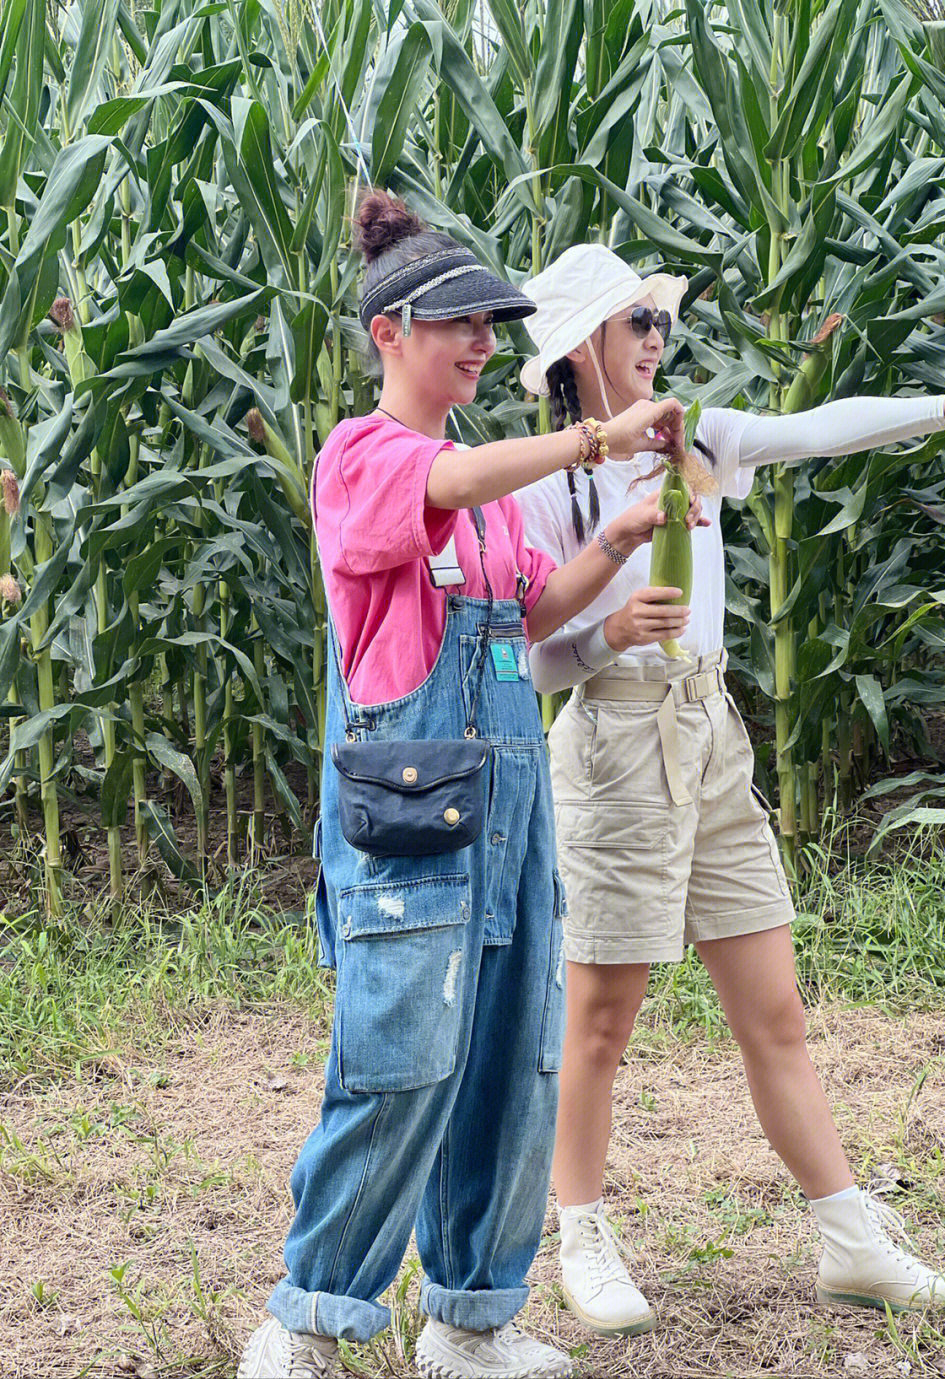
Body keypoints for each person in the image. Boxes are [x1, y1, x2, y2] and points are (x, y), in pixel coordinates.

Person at [516, 242, 945, 1338]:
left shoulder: (698, 439)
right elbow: (528, 654)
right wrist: (610, 635)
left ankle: (850, 1239)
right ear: (580, 347)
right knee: (600, 1020)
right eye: (635, 324)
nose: (657, 339)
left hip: (711, 734)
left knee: (776, 1011)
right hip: (614, 742)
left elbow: (818, 427)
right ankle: (579, 1231)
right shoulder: (544, 482)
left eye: (659, 322)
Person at [237, 199, 696, 1379]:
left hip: (511, 813)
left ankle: (472, 1317)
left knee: (510, 1063)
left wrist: (624, 535)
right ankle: (306, 1318)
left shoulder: (485, 493)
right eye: (460, 324)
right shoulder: (365, 458)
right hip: (412, 819)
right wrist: (595, 439)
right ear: (389, 332)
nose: (485, 343)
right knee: (398, 1062)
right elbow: (444, 477)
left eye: (493, 325)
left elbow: (533, 613)